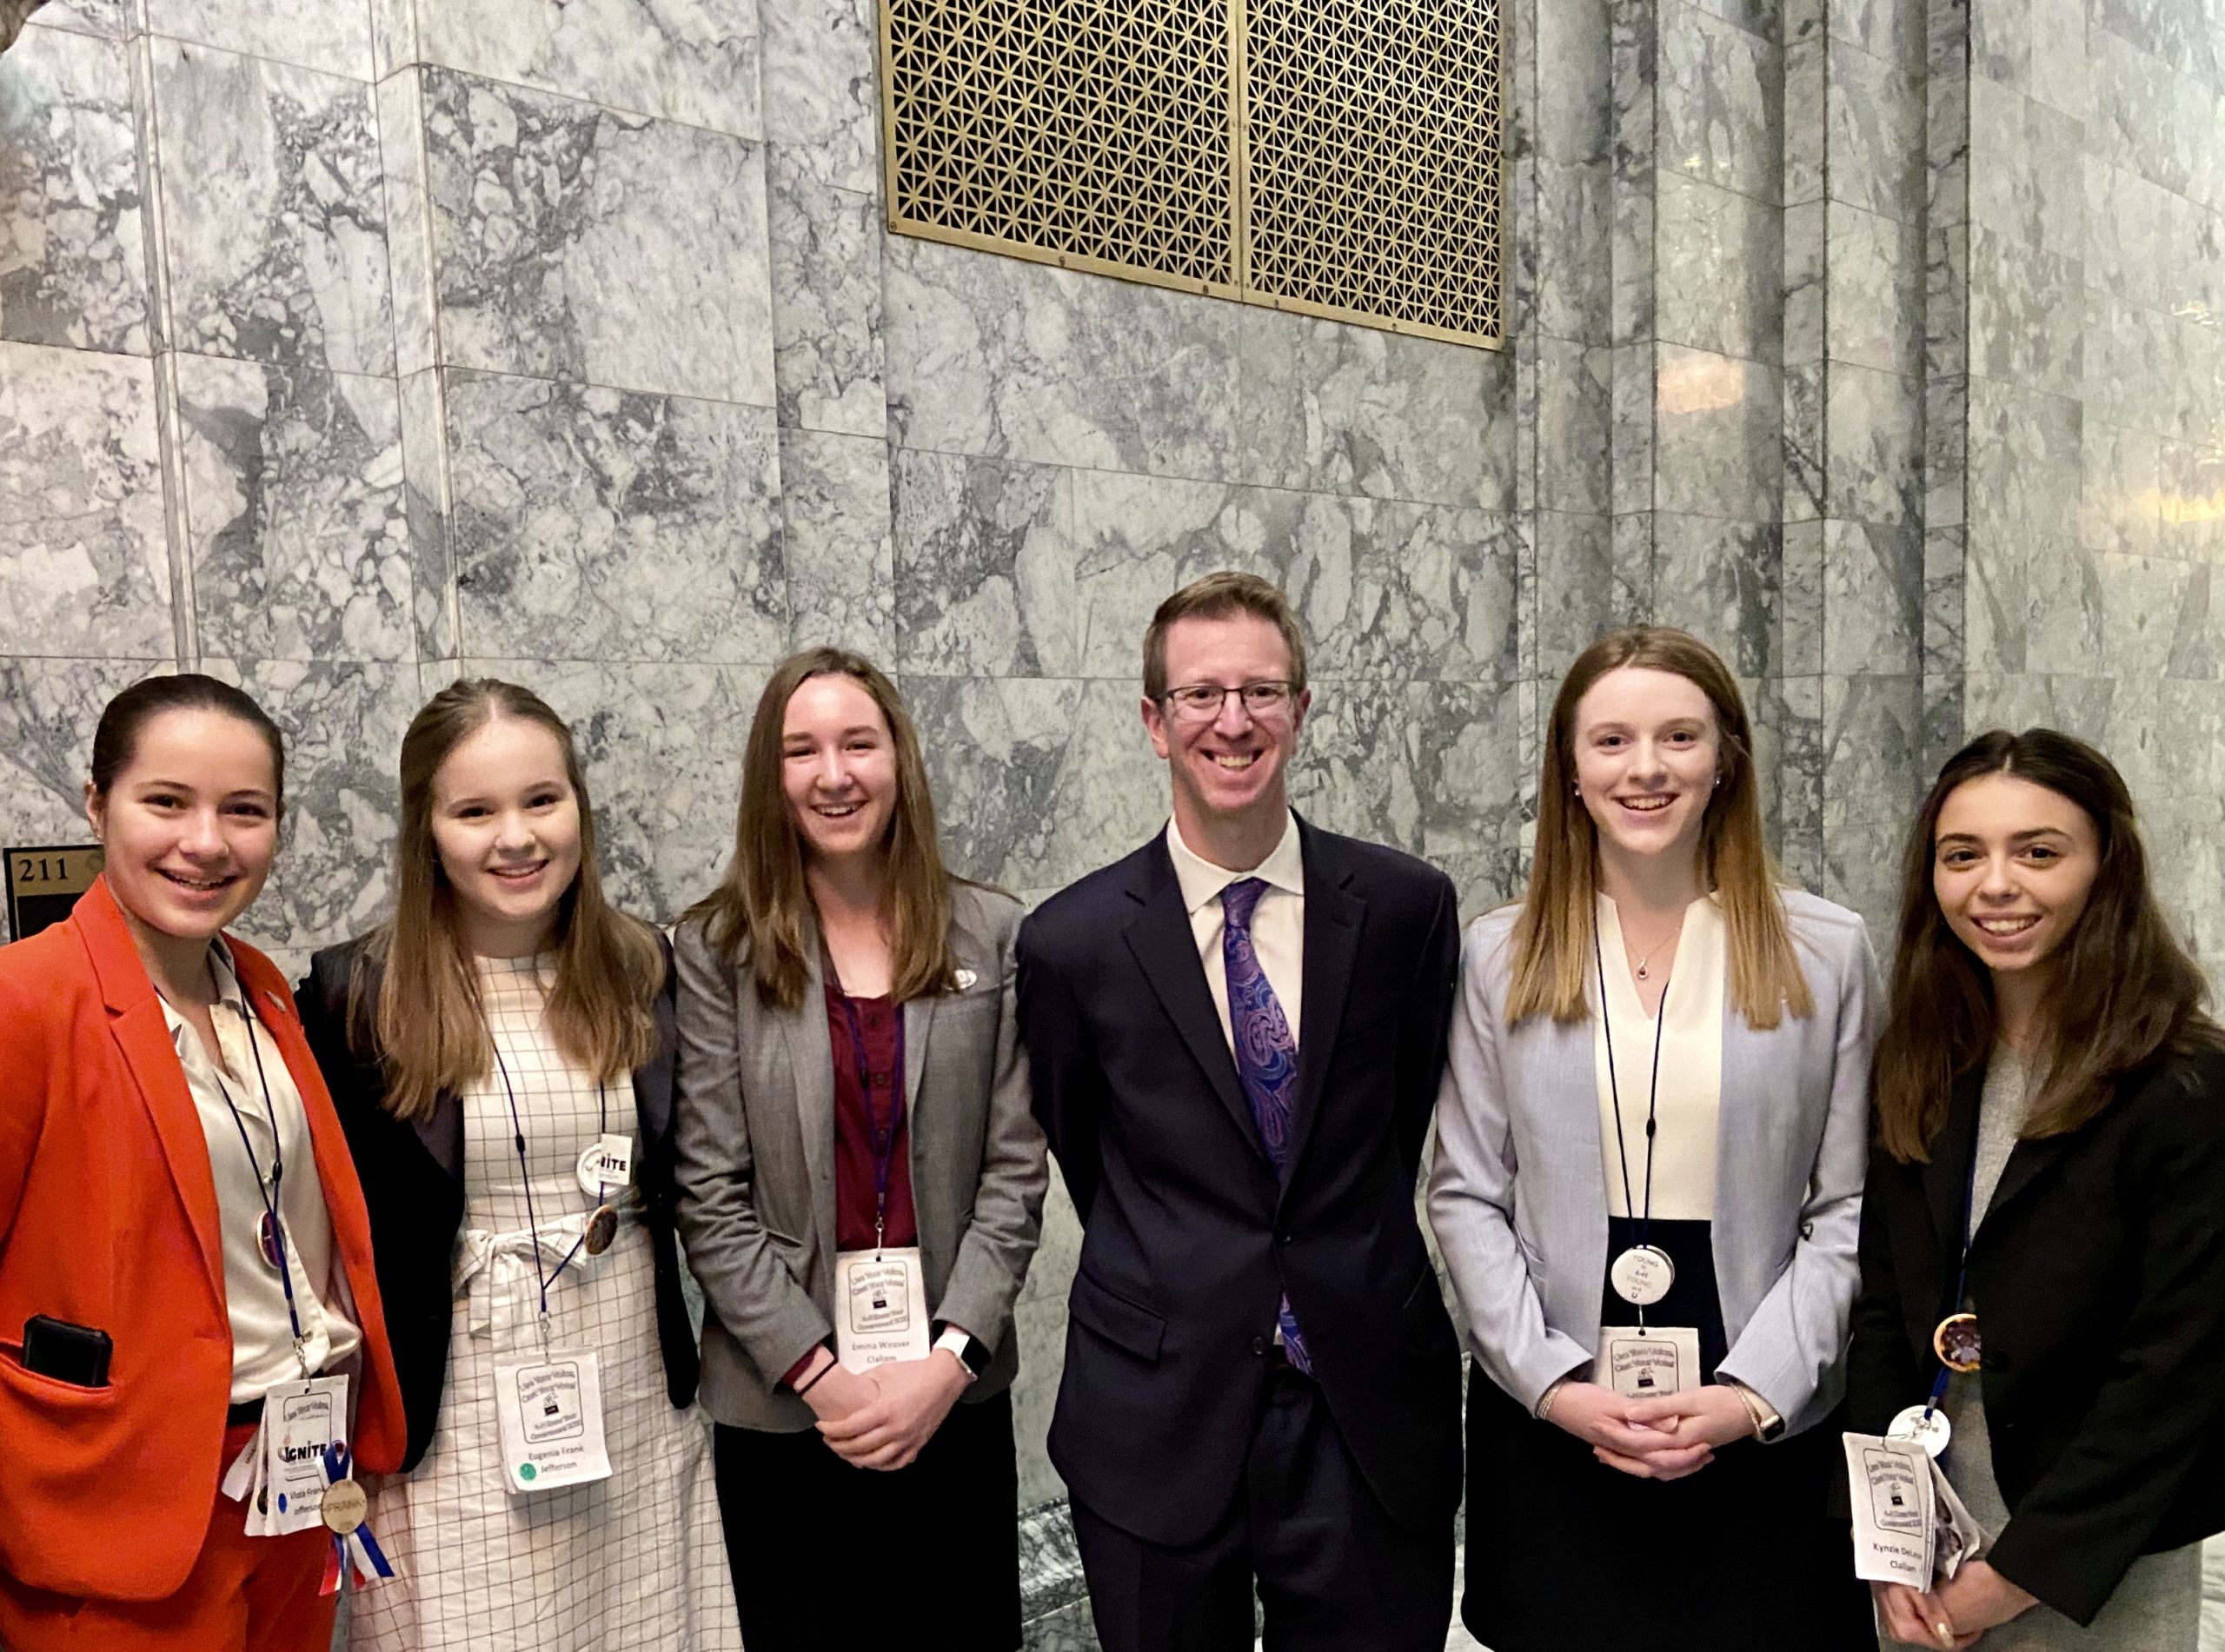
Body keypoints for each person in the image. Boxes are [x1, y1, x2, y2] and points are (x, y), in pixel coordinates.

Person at [1016, 572, 1464, 1652]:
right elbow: (1091, 1151)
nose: (1233, 720)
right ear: (1153, 721)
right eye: (1201, 694)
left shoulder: (1405, 908)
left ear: (1301, 711)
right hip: (1158, 1403)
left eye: (1262, 691)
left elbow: (1400, 1120)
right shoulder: (1070, 942)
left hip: (1360, 1396)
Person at [1427, 625, 1879, 1651]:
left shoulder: (1826, 947)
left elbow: (1847, 1201)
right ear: (1571, 772)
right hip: (1558, 1398)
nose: (1645, 768)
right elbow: (1464, 1191)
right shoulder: (1502, 951)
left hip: (1760, 1395)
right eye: (1612, 740)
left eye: (1678, 736)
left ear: (1725, 760)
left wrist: (1754, 1391)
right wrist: (1550, 1381)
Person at [297, 678, 735, 1650]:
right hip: (456, 1412)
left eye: (542, 798)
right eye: (475, 810)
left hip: (622, 1377)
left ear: (579, 803)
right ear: (427, 831)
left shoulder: (644, 970)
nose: (517, 836)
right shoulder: (354, 996)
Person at [0, 673, 405, 1650]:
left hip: (293, 1480)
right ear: (98, 805)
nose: (207, 842)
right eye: (166, 801)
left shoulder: (260, 986)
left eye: (244, 810)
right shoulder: (27, 998)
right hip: (120, 1502)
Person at [673, 647, 1048, 1652]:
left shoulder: (994, 932)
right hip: (784, 1405)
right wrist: (822, 1374)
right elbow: (707, 1193)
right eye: (801, 749)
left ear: (899, 760)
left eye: (857, 743)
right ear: (771, 773)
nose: (833, 773)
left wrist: (945, 1362)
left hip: (949, 1392)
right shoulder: (716, 951)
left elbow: (1014, 1176)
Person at [1850, 728, 2225, 1650]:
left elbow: (2179, 1369)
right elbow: (1885, 1312)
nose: (1995, 884)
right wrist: (1885, 1537)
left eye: (2038, 851)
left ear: (2107, 867)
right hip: (1928, 1541)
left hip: (2095, 1552)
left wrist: (2019, 1574)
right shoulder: (1921, 1064)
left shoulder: (2186, 1084)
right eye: (1961, 854)